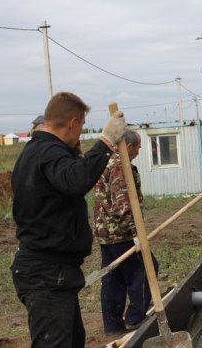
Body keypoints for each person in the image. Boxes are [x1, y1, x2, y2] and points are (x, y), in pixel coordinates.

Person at [10, 92, 126, 347]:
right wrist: (105, 142)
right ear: (73, 123)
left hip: (52, 271)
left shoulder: (35, 152)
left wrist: (78, 156)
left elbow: (63, 183)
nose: (80, 131)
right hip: (47, 273)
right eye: (82, 125)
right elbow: (75, 180)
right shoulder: (49, 152)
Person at [93, 130, 159, 335]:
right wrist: (136, 234)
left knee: (113, 278)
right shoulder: (120, 166)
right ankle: (135, 318)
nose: (138, 152)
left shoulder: (106, 162)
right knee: (145, 270)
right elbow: (123, 204)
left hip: (105, 232)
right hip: (121, 233)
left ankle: (112, 326)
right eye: (138, 147)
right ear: (128, 146)